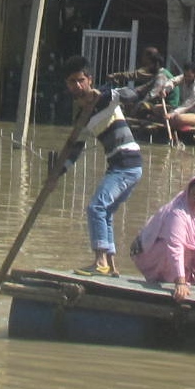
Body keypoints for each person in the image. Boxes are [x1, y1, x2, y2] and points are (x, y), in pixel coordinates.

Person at [58, 56, 145, 277]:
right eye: (72, 82)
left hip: (127, 162)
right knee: (104, 212)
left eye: (80, 80)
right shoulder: (82, 117)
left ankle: (99, 263)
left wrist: (107, 94)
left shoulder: (105, 98)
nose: (77, 86)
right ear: (67, 85)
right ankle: (111, 266)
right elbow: (75, 149)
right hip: (120, 165)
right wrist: (60, 170)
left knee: (95, 207)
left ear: (89, 80)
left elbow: (132, 95)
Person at [131, 174, 195, 302]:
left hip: (180, 254)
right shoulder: (178, 213)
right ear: (187, 194)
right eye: (194, 195)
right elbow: (175, 247)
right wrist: (180, 282)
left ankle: (190, 277)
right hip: (152, 252)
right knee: (172, 247)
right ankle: (167, 277)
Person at [165, 62, 195, 130]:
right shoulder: (185, 77)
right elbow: (173, 81)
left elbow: (185, 106)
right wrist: (165, 90)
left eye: (189, 76)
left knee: (178, 118)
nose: (186, 78)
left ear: (194, 74)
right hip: (185, 111)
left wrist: (171, 114)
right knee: (158, 109)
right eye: (185, 75)